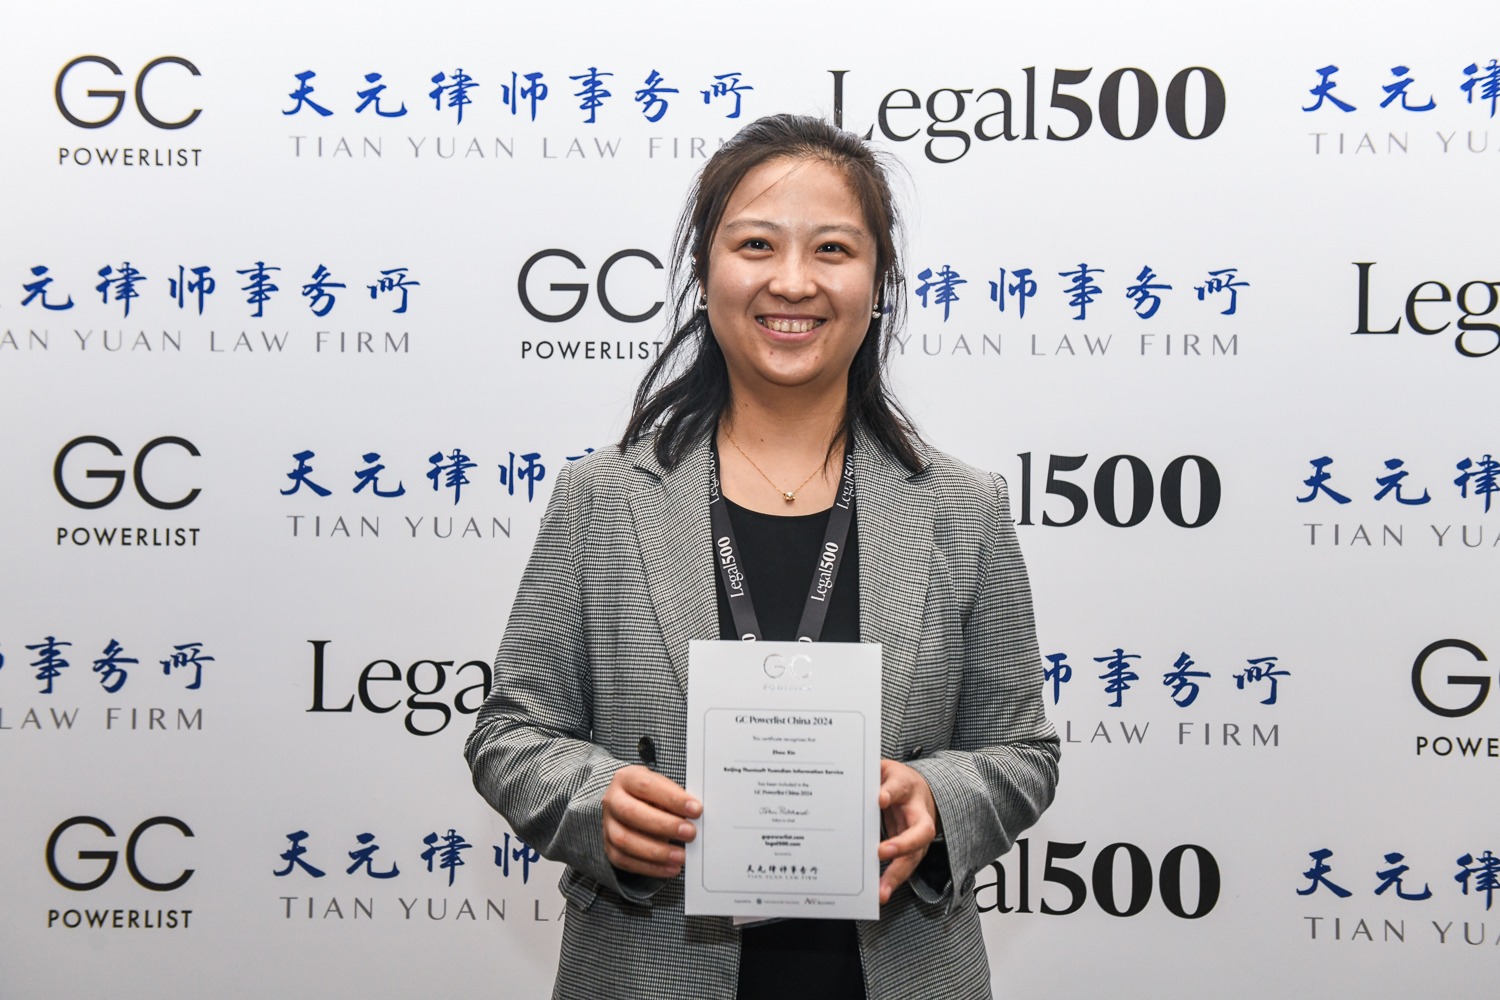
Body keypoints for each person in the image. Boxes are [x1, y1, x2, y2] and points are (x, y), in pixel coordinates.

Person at [466, 113, 1059, 1000]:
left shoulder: (961, 507)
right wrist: (598, 803)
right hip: (648, 968)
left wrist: (938, 800)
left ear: (878, 282)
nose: (792, 281)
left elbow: (1021, 750)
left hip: (899, 972)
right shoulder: (604, 496)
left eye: (832, 249)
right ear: (704, 273)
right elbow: (511, 733)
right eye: (756, 244)